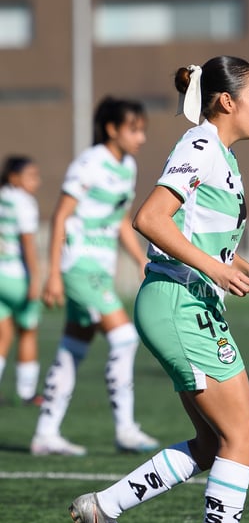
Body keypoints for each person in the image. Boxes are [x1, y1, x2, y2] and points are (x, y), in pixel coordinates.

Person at [68, 56, 249, 523]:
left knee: (215, 444)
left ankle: (104, 506)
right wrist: (214, 268)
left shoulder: (222, 156)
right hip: (178, 303)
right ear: (226, 100)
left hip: (192, 303)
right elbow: (149, 218)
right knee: (244, 433)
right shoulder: (201, 146)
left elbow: (203, 237)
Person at [31, 96, 159, 456]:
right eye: (134, 130)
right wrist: (53, 274)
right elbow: (60, 217)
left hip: (99, 269)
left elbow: (120, 219)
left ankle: (45, 434)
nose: (141, 138)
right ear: (112, 129)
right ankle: (126, 430)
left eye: (143, 130)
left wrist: (139, 259)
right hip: (78, 265)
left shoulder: (128, 166)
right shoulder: (88, 164)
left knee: (73, 347)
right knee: (124, 337)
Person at [0, 156, 42, 404]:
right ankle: (27, 393)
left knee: (3, 334)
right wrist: (36, 278)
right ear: (14, 177)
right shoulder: (24, 202)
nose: (36, 182)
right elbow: (28, 244)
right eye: (31, 176)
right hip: (17, 276)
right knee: (27, 331)